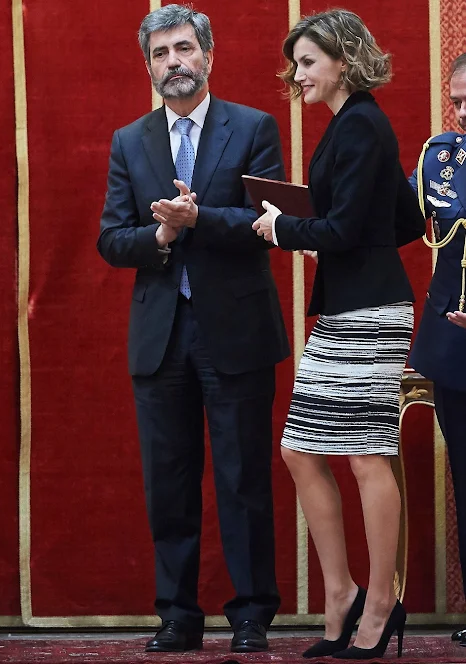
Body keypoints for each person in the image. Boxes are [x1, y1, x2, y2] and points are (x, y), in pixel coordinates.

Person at [97, 3, 290, 654]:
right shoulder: (131, 140)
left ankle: (252, 613)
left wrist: (199, 218)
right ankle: (178, 615)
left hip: (235, 330)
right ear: (148, 65)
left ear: (209, 55)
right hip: (162, 335)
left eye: (183, 49)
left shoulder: (255, 126)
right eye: (160, 54)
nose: (172, 63)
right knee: (170, 481)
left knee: (242, 478)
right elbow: (110, 239)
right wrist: (161, 232)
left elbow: (269, 224)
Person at [252, 9, 425, 660]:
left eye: (308, 63)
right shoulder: (358, 126)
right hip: (361, 305)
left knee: (365, 454)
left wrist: (283, 227)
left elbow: (348, 231)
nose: (297, 75)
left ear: (343, 61)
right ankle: (344, 594)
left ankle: (377, 602)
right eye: (297, 63)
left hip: (368, 311)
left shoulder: (360, 126)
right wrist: (321, 218)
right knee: (303, 449)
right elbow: (401, 221)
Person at [409, 52, 466, 644]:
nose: (464, 111)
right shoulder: (441, 156)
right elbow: (398, 216)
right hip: (454, 343)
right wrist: (323, 228)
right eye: (457, 100)